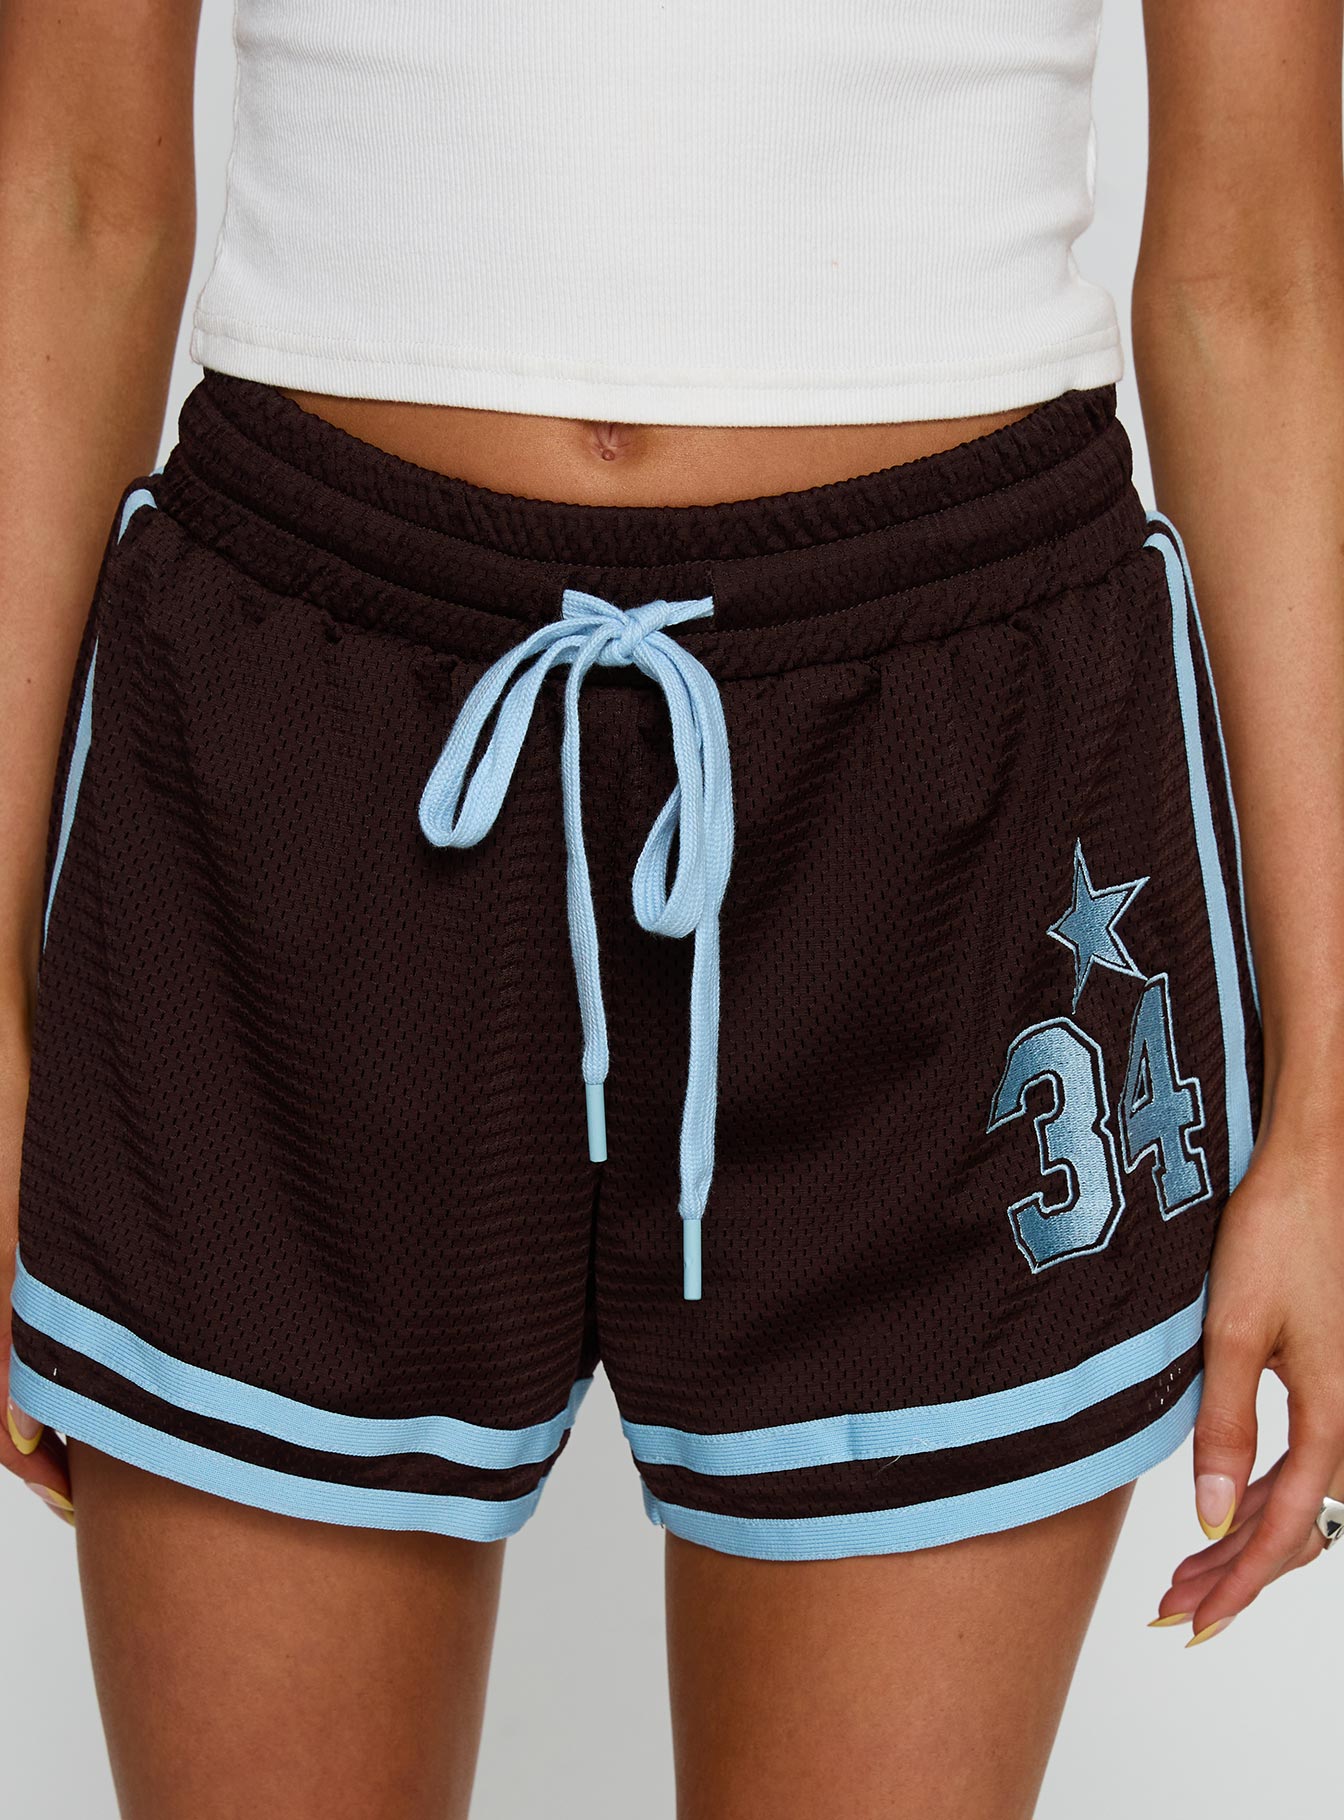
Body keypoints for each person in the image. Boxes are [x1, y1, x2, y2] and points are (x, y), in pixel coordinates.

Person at [3, 2, 1343, 1815]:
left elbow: (1258, 271)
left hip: (954, 784)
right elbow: (71, 195)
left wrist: (1330, 1102)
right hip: (304, 743)